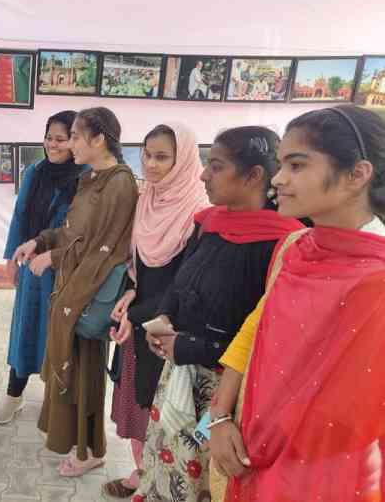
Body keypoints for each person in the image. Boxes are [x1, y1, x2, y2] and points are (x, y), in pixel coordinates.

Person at [209, 105, 385, 502]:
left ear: (357, 174)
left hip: (331, 476)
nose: (278, 179)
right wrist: (219, 416)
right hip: (254, 448)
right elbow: (255, 330)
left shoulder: (377, 277)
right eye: (281, 164)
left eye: (297, 165)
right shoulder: (296, 247)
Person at [132, 126, 304, 502]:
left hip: (226, 396)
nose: (203, 174)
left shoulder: (285, 244)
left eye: (217, 166)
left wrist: (189, 346)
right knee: (164, 470)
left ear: (254, 176)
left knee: (203, 483)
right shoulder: (209, 223)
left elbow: (261, 337)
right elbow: (181, 281)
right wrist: (163, 315)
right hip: (179, 379)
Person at [12, 107, 139, 477]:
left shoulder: (119, 183)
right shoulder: (93, 179)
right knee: (71, 369)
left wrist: (53, 257)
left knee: (86, 375)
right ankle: (78, 444)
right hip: (72, 288)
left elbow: (106, 247)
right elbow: (71, 232)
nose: (69, 145)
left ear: (98, 139)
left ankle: (90, 451)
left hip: (89, 293)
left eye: (76, 137)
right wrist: (39, 242)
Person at [103, 124, 210, 498]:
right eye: (146, 154)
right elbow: (142, 267)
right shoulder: (147, 198)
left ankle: (154, 484)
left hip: (168, 332)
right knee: (135, 404)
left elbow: (182, 286)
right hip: (138, 322)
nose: (150, 163)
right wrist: (131, 294)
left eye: (162, 156)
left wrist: (137, 315)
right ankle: (140, 475)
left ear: (183, 159)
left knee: (161, 413)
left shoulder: (198, 212)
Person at [0, 110, 85, 424]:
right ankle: (13, 395)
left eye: (61, 139)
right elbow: (20, 216)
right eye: (48, 138)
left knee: (57, 339)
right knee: (25, 332)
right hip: (33, 268)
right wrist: (11, 259)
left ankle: (54, 404)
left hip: (66, 271)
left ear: (75, 141)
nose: (53, 145)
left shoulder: (86, 177)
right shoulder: (35, 171)